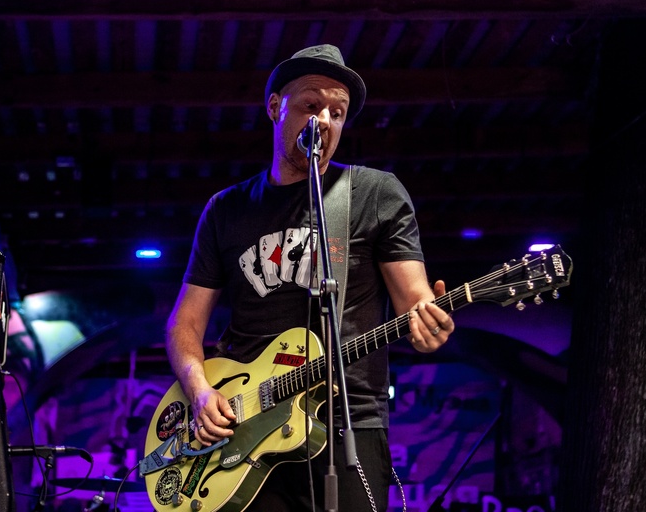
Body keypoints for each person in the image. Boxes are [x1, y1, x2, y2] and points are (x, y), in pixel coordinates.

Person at [165, 44, 454, 511]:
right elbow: (185, 323)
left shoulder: (374, 193)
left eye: (337, 113)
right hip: (246, 425)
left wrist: (428, 323)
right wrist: (200, 391)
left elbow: (415, 301)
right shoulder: (227, 209)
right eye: (310, 105)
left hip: (347, 420)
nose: (324, 121)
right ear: (274, 107)